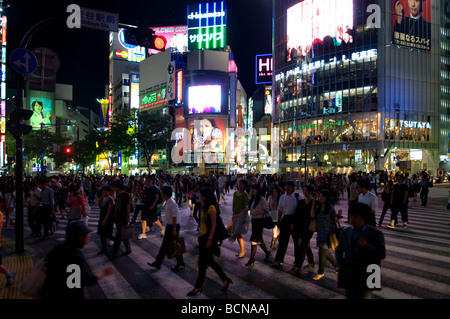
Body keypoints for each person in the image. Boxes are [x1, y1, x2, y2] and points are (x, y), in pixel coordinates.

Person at [41, 221, 115, 299]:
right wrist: (104, 273)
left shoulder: (58, 248)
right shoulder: (74, 257)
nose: (89, 236)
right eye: (87, 234)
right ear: (80, 237)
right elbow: (82, 280)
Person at [335, 202, 386, 299]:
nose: (352, 219)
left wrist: (367, 245)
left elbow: (382, 254)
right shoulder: (346, 232)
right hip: (350, 271)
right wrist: (340, 264)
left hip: (369, 272)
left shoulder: (376, 234)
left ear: (364, 218)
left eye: (356, 217)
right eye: (351, 216)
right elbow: (339, 250)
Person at [187, 187, 231, 297]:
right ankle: (225, 279)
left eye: (201, 195)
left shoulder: (211, 207)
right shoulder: (204, 206)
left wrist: (210, 239)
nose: (200, 197)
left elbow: (214, 224)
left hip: (208, 238)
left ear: (205, 197)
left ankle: (197, 287)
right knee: (210, 262)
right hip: (203, 237)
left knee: (202, 264)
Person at [148, 186, 185, 271]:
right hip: (170, 226)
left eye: (162, 192)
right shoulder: (168, 201)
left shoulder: (172, 203)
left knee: (175, 245)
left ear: (165, 193)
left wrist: (174, 229)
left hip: (173, 226)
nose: (161, 194)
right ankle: (158, 262)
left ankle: (180, 263)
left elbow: (174, 216)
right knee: (166, 245)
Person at [311, 189, 338, 280]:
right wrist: (313, 204)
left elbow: (334, 220)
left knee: (322, 252)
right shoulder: (318, 207)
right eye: (320, 196)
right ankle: (337, 266)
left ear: (326, 198)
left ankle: (321, 272)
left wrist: (339, 216)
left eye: (322, 196)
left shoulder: (330, 208)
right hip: (320, 233)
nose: (320, 198)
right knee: (324, 251)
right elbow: (312, 216)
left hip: (328, 234)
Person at [242, 184, 271, 267]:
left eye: (254, 189)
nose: (252, 190)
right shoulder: (252, 199)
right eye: (252, 189)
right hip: (254, 221)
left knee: (254, 240)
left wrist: (256, 213)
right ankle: (266, 252)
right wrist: (238, 215)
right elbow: (247, 209)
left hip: (260, 221)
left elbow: (266, 210)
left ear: (258, 190)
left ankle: (251, 258)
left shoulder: (262, 199)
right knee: (258, 240)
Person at [272, 181, 299, 269]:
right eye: (285, 187)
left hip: (294, 220)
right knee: (283, 241)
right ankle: (279, 260)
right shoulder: (282, 197)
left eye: (288, 187)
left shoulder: (297, 197)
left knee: (296, 242)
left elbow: (300, 210)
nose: (286, 188)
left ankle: (297, 262)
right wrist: (279, 221)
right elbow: (280, 210)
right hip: (285, 219)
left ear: (292, 187)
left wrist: (295, 222)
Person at [292, 185, 316, 275]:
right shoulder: (301, 202)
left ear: (310, 192)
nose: (304, 192)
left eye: (306, 191)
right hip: (300, 227)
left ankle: (298, 264)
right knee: (306, 245)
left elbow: (313, 215)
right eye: (304, 190)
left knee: (302, 245)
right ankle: (311, 262)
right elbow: (296, 214)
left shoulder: (314, 202)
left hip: (309, 228)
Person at [111, 180, 132, 258]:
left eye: (114, 187)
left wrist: (128, 217)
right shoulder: (118, 194)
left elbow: (128, 206)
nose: (114, 188)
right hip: (118, 217)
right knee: (123, 234)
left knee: (118, 235)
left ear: (118, 187)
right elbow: (116, 205)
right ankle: (128, 249)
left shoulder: (125, 195)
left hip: (123, 217)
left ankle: (114, 252)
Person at [231, 179, 250, 258]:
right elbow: (234, 204)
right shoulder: (235, 193)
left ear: (245, 186)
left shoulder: (245, 194)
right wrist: (233, 214)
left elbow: (246, 208)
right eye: (240, 184)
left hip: (241, 216)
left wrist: (242, 216)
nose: (240, 185)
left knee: (237, 233)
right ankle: (242, 250)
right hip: (235, 215)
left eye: (242, 184)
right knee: (236, 233)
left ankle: (243, 250)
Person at [97, 186, 115, 255]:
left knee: (108, 234)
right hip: (102, 217)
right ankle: (104, 249)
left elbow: (109, 211)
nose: (104, 192)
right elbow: (102, 208)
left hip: (108, 219)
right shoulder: (103, 198)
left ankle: (117, 242)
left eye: (106, 191)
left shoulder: (111, 199)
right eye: (103, 190)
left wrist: (105, 220)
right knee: (102, 234)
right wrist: (99, 203)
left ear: (109, 192)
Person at [267, 185, 281, 250]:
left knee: (274, 230)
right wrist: (270, 207)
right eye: (273, 191)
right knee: (274, 230)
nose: (274, 193)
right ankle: (280, 240)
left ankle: (272, 245)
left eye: (275, 191)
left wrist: (276, 207)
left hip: (278, 216)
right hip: (272, 216)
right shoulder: (270, 198)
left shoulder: (280, 198)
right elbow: (268, 207)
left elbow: (281, 208)